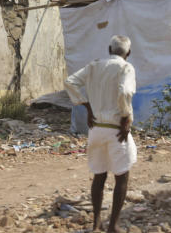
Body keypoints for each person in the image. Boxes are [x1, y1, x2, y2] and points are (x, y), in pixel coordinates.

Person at [64, 35, 136, 233]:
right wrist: (126, 117)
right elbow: (124, 92)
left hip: (96, 129)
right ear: (128, 53)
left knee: (99, 176)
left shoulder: (94, 66)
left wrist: (87, 106)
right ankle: (113, 225)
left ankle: (96, 224)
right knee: (122, 176)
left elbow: (70, 82)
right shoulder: (126, 68)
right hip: (116, 130)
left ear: (109, 49)